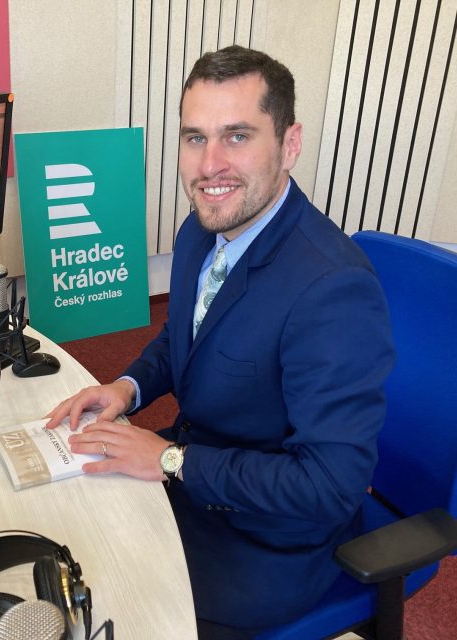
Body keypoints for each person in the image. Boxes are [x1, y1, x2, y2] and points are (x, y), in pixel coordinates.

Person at [47, 45, 395, 638]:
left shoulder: (333, 289)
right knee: (70, 529)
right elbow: (183, 338)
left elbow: (328, 488)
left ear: (289, 144)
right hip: (197, 473)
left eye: (237, 136)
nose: (210, 166)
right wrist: (127, 388)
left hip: (265, 540)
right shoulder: (203, 229)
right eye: (194, 138)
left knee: (114, 608)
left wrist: (172, 460)